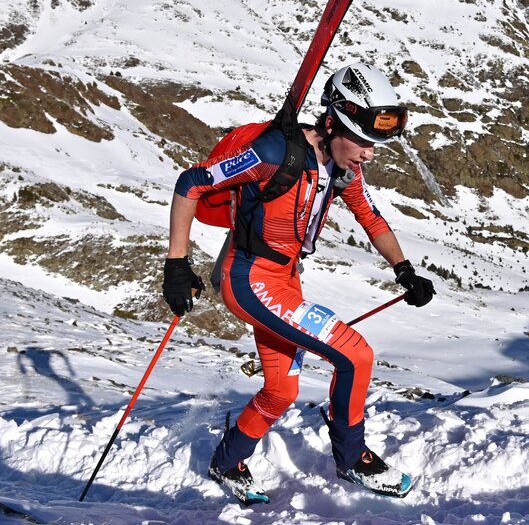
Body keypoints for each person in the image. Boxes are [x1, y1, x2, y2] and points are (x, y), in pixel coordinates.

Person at [162, 62, 437, 501]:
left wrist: (403, 268)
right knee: (356, 355)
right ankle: (352, 460)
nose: (369, 153)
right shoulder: (274, 153)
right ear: (333, 124)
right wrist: (176, 264)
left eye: (375, 144)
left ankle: (227, 461)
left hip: (286, 279)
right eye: (363, 141)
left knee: (281, 390)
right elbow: (192, 182)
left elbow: (370, 216)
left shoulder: (344, 168)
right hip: (250, 279)